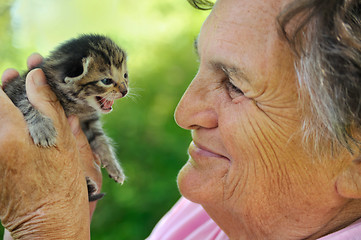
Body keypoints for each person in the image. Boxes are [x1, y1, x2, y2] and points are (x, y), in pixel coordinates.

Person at [1, 0, 361, 239]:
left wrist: (44, 224)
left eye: (234, 84)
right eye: (199, 63)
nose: (183, 112)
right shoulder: (217, 205)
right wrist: (68, 211)